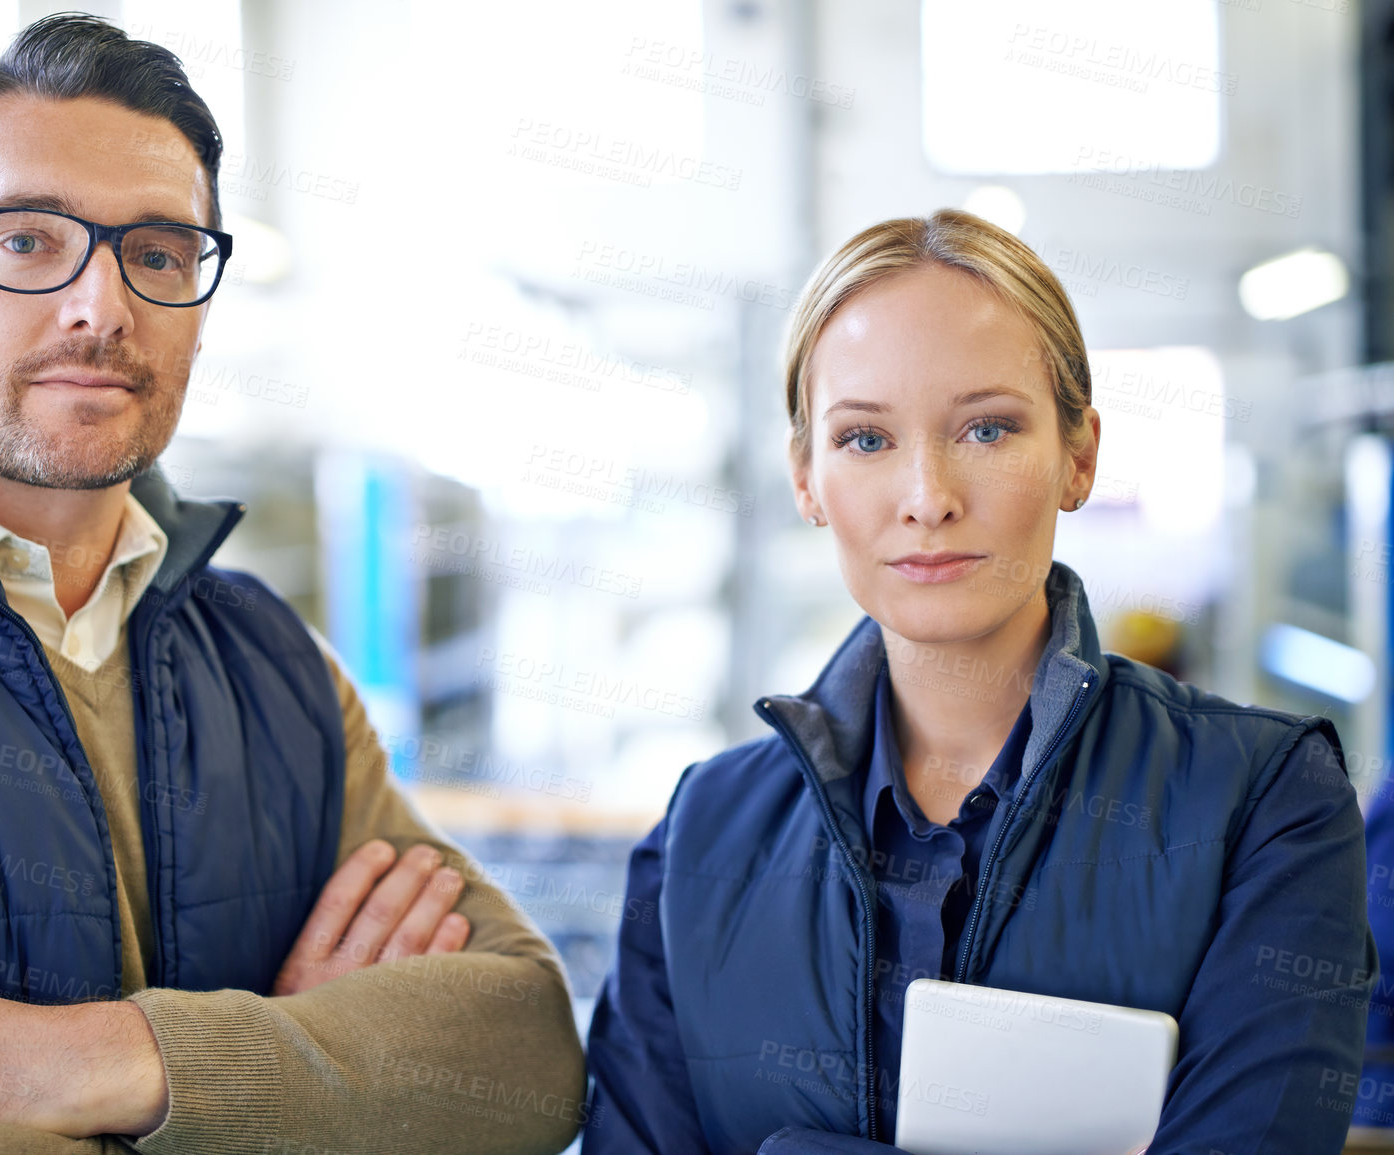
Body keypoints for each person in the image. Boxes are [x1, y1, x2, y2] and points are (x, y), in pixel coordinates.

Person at [0, 15, 584, 1153]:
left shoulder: (272, 666)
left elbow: (530, 1062)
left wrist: (123, 1064)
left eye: (156, 252)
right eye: (29, 240)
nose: (101, 306)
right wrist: (323, 1086)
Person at [581, 209, 1376, 1153]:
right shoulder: (699, 836)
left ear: (1078, 454)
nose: (927, 495)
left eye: (986, 428)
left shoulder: (1266, 802)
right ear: (805, 476)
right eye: (865, 440)